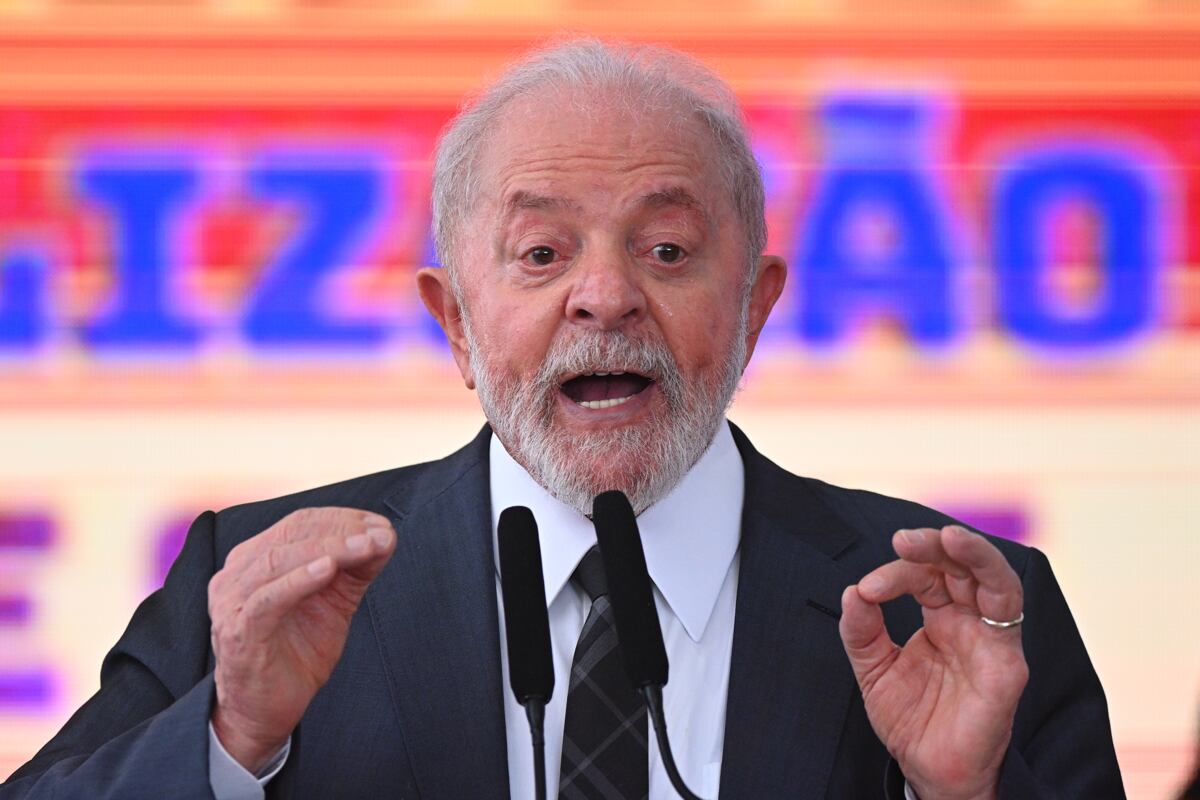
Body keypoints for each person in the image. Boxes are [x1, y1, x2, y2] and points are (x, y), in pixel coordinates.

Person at [3, 40, 1124, 799]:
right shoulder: (257, 588)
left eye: (668, 250)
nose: (604, 296)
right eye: (541, 253)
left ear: (758, 305)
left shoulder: (955, 614)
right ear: (452, 319)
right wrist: (230, 741)